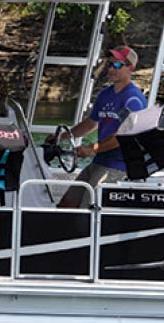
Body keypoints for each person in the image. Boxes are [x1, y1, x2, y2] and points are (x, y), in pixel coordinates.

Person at [59, 45, 147, 208]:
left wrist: (93, 148)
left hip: (119, 165)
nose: (111, 69)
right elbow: (92, 122)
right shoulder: (105, 94)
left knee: (88, 207)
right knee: (67, 204)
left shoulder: (133, 99)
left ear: (130, 68)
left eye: (118, 65)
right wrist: (63, 136)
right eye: (109, 64)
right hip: (100, 161)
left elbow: (124, 136)